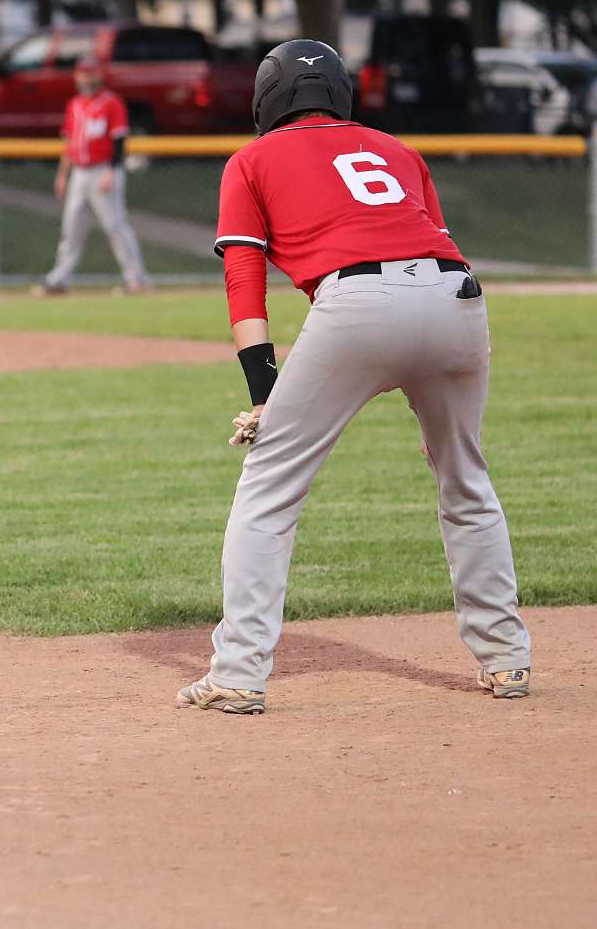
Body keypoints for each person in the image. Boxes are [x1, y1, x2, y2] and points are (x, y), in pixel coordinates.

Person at [176, 39, 529, 715]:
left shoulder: (251, 159)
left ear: (267, 98)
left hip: (359, 303)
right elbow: (425, 240)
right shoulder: (398, 150)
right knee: (465, 478)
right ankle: (506, 656)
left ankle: (239, 671)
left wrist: (264, 393)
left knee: (269, 486)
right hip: (456, 294)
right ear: (340, 93)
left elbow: (244, 279)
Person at [35, 56, 150, 296]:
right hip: (79, 173)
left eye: (91, 73)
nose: (87, 78)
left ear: (99, 75)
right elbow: (70, 144)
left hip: (104, 170)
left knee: (115, 226)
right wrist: (62, 175)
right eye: (83, 73)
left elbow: (119, 141)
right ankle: (59, 279)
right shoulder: (74, 104)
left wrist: (111, 171)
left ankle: (136, 279)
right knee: (71, 228)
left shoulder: (111, 103)